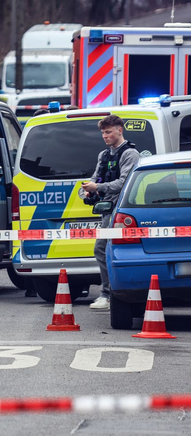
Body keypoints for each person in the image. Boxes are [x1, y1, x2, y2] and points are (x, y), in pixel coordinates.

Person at [80, 115, 140, 310]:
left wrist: (97, 187)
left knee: (102, 248)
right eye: (103, 133)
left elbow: (124, 183)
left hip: (122, 209)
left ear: (119, 130)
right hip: (107, 209)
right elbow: (96, 177)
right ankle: (112, 293)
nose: (105, 136)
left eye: (108, 132)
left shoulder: (130, 153)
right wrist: (86, 190)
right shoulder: (104, 155)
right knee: (105, 249)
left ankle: (108, 294)